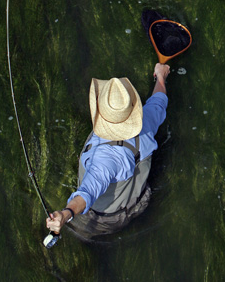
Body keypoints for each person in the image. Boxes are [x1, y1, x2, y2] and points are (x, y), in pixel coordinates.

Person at [46, 62, 170, 239]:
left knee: (83, 235)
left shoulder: (106, 160)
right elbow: (159, 102)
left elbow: (87, 192)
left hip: (104, 219)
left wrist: (65, 215)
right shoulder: (147, 123)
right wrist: (161, 76)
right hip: (132, 202)